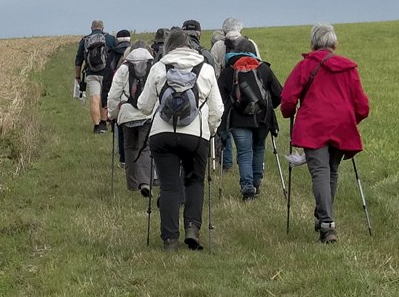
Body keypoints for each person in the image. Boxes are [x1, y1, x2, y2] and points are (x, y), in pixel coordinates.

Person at [279, 24, 370, 243]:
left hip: (314, 126)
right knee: (331, 171)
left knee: (320, 171)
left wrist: (288, 112)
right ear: (335, 44)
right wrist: (350, 120)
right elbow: (363, 107)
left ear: (312, 43)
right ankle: (323, 218)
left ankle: (326, 223)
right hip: (341, 126)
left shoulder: (305, 66)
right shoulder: (348, 68)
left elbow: (288, 99)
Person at [138, 29, 220, 250]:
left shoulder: (159, 68)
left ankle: (170, 239)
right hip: (196, 135)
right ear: (190, 46)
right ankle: (192, 228)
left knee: (169, 186)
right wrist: (211, 130)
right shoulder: (205, 69)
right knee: (195, 181)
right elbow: (217, 108)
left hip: (162, 135)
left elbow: (144, 105)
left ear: (169, 47)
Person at [213, 23, 281, 202]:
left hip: (238, 120)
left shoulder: (228, 71)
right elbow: (279, 93)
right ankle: (256, 182)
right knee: (259, 148)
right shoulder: (264, 68)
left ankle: (247, 187)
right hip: (262, 119)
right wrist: (268, 107)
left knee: (244, 152)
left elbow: (219, 97)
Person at [106, 30, 158, 192]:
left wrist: (112, 114)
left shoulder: (123, 68)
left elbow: (113, 94)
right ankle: (145, 182)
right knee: (145, 148)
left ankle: (132, 185)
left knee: (130, 148)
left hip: (127, 114)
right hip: (147, 114)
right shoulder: (153, 67)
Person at [73, 22, 112, 129]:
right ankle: (104, 122)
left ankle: (97, 126)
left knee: (95, 98)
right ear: (103, 28)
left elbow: (78, 60)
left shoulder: (85, 40)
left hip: (91, 73)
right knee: (105, 97)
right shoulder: (109, 38)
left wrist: (78, 77)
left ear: (91, 28)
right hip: (106, 74)